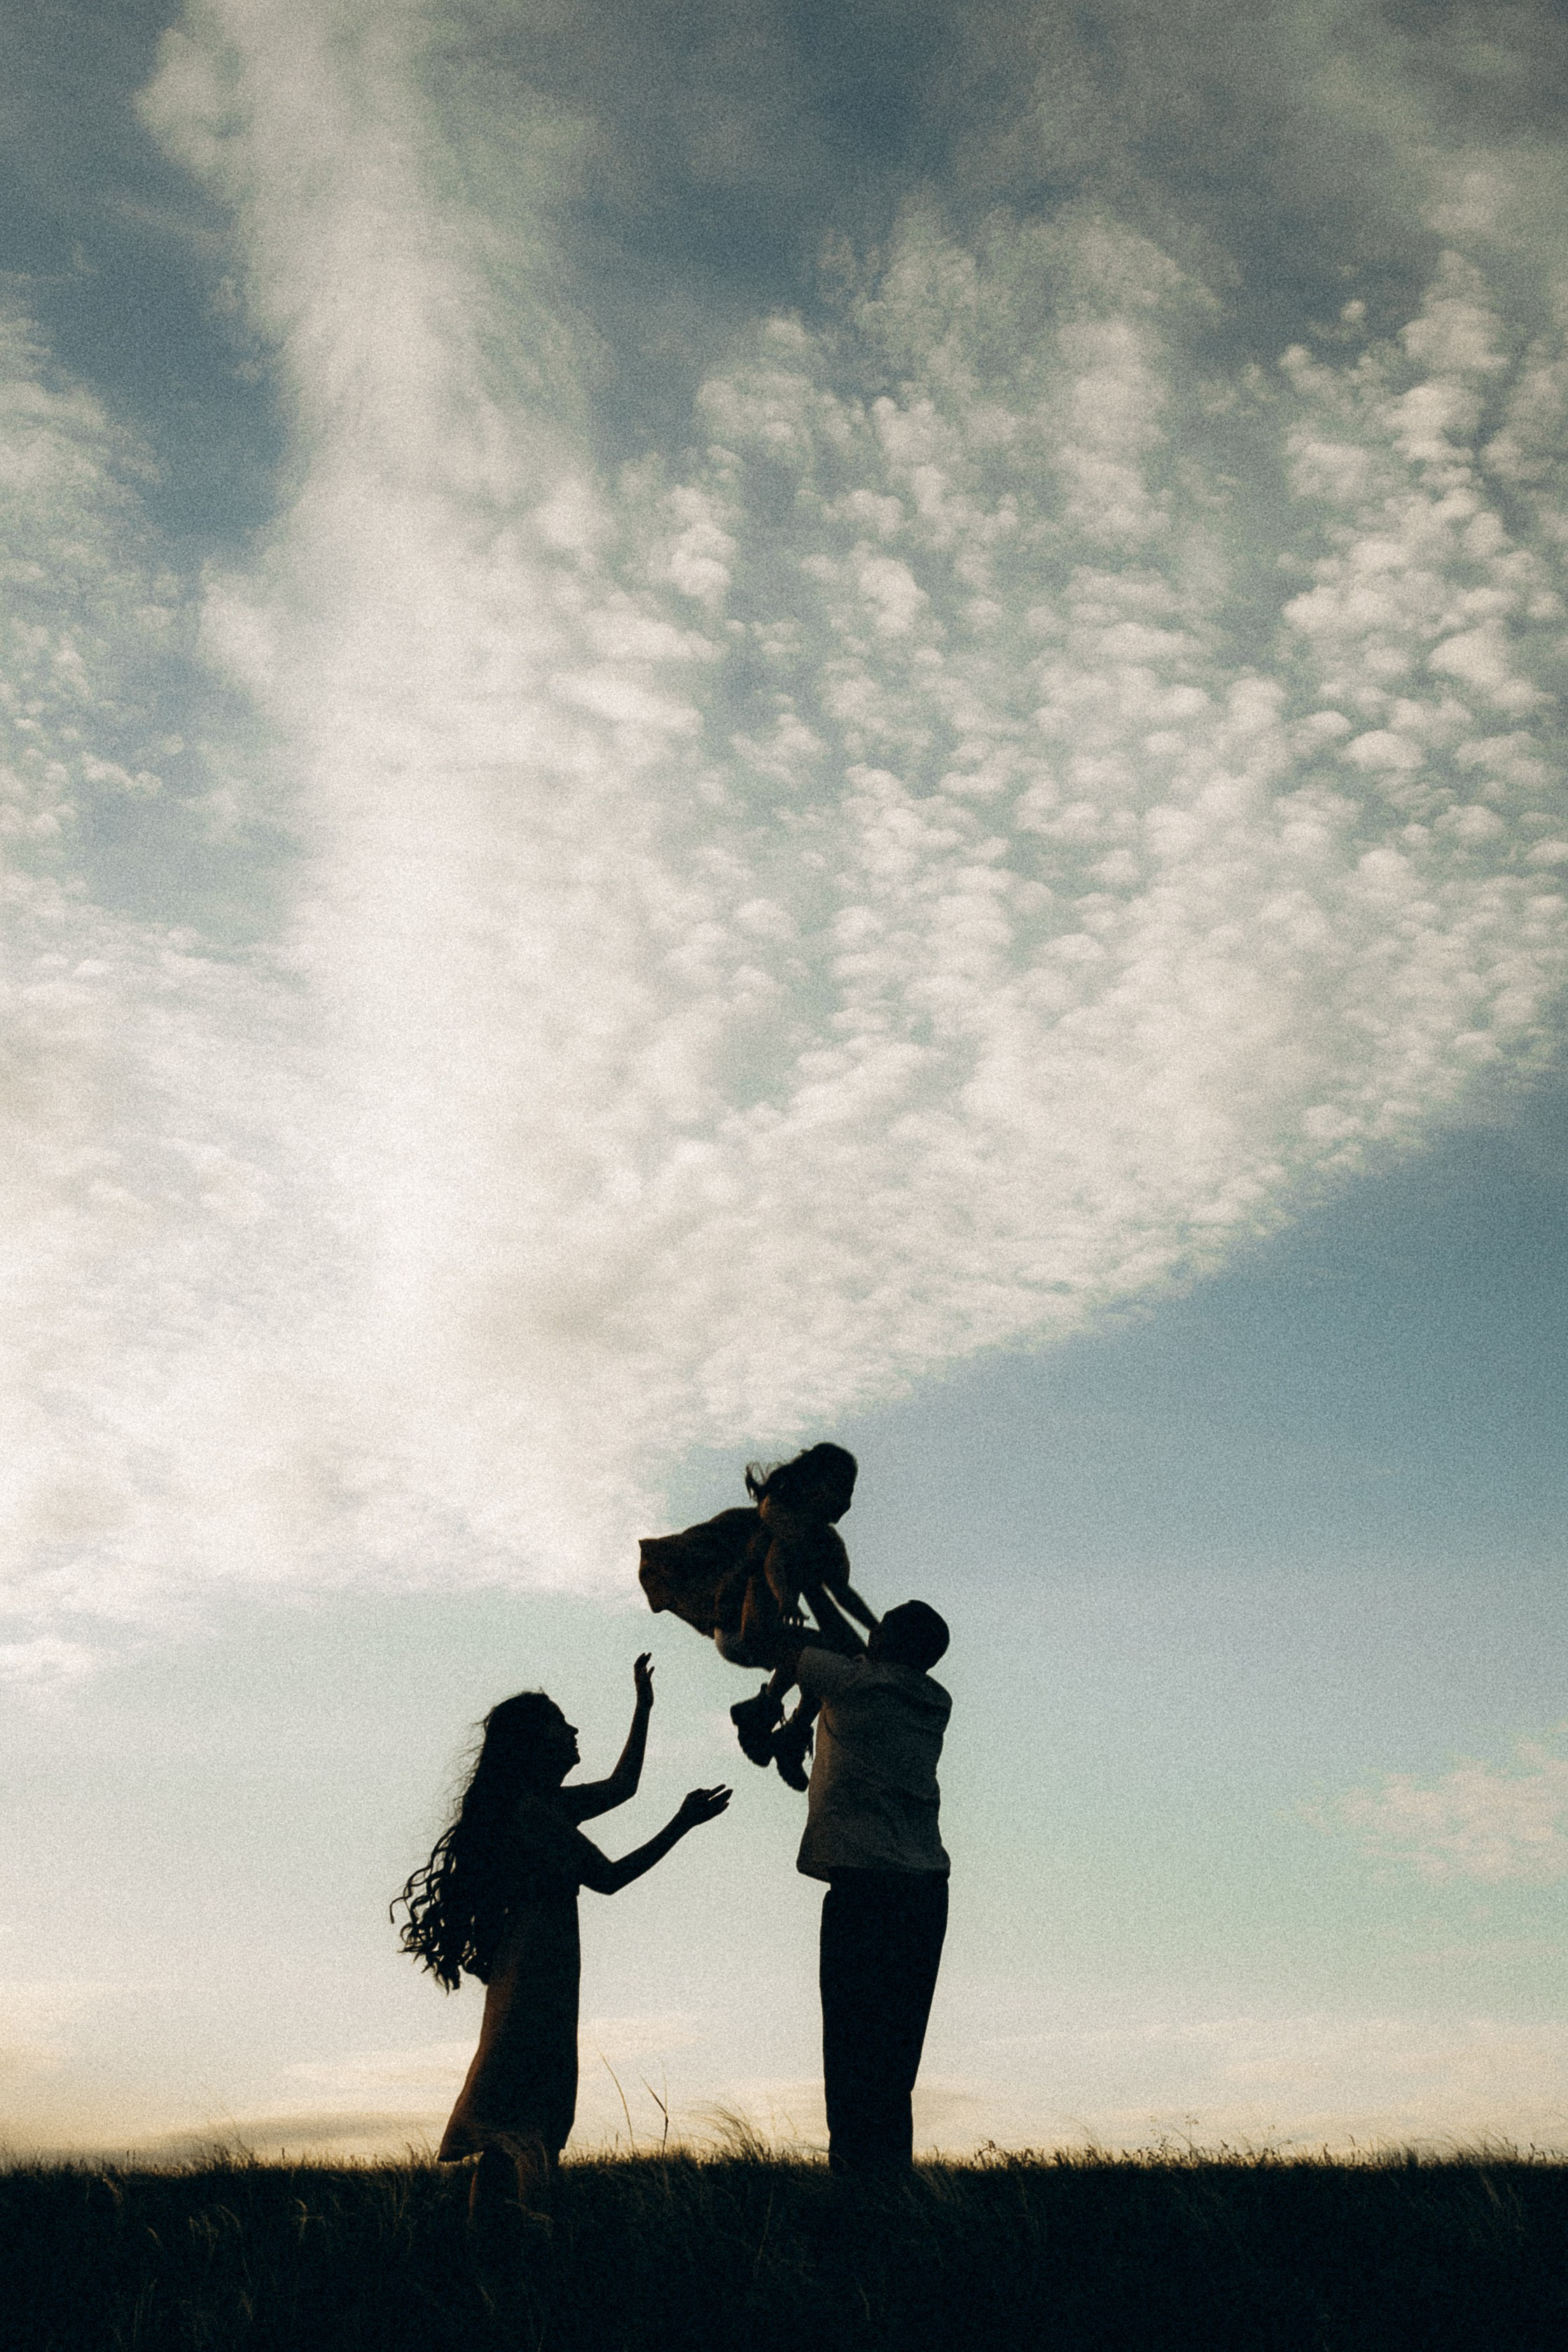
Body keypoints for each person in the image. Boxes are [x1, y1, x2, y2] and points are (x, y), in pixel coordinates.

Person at [392, 1654, 730, 2227]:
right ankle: (523, 2235)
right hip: (534, 1974)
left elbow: (624, 1787)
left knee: (516, 2115)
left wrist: (643, 1709)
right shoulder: (536, 1815)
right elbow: (609, 1878)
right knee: (526, 2109)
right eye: (559, 1722)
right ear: (531, 1742)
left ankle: (499, 2239)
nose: (573, 1732)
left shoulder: (541, 1805)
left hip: (534, 1968)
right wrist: (682, 1822)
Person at [768, 1600, 952, 2175]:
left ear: (883, 1640)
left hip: (865, 1892)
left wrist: (796, 1567)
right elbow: (851, 1650)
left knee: (850, 2050)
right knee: (894, 2060)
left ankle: (853, 2189)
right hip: (924, 1892)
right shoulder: (932, 1697)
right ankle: (887, 2186)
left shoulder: (850, 1681)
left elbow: (761, 1638)